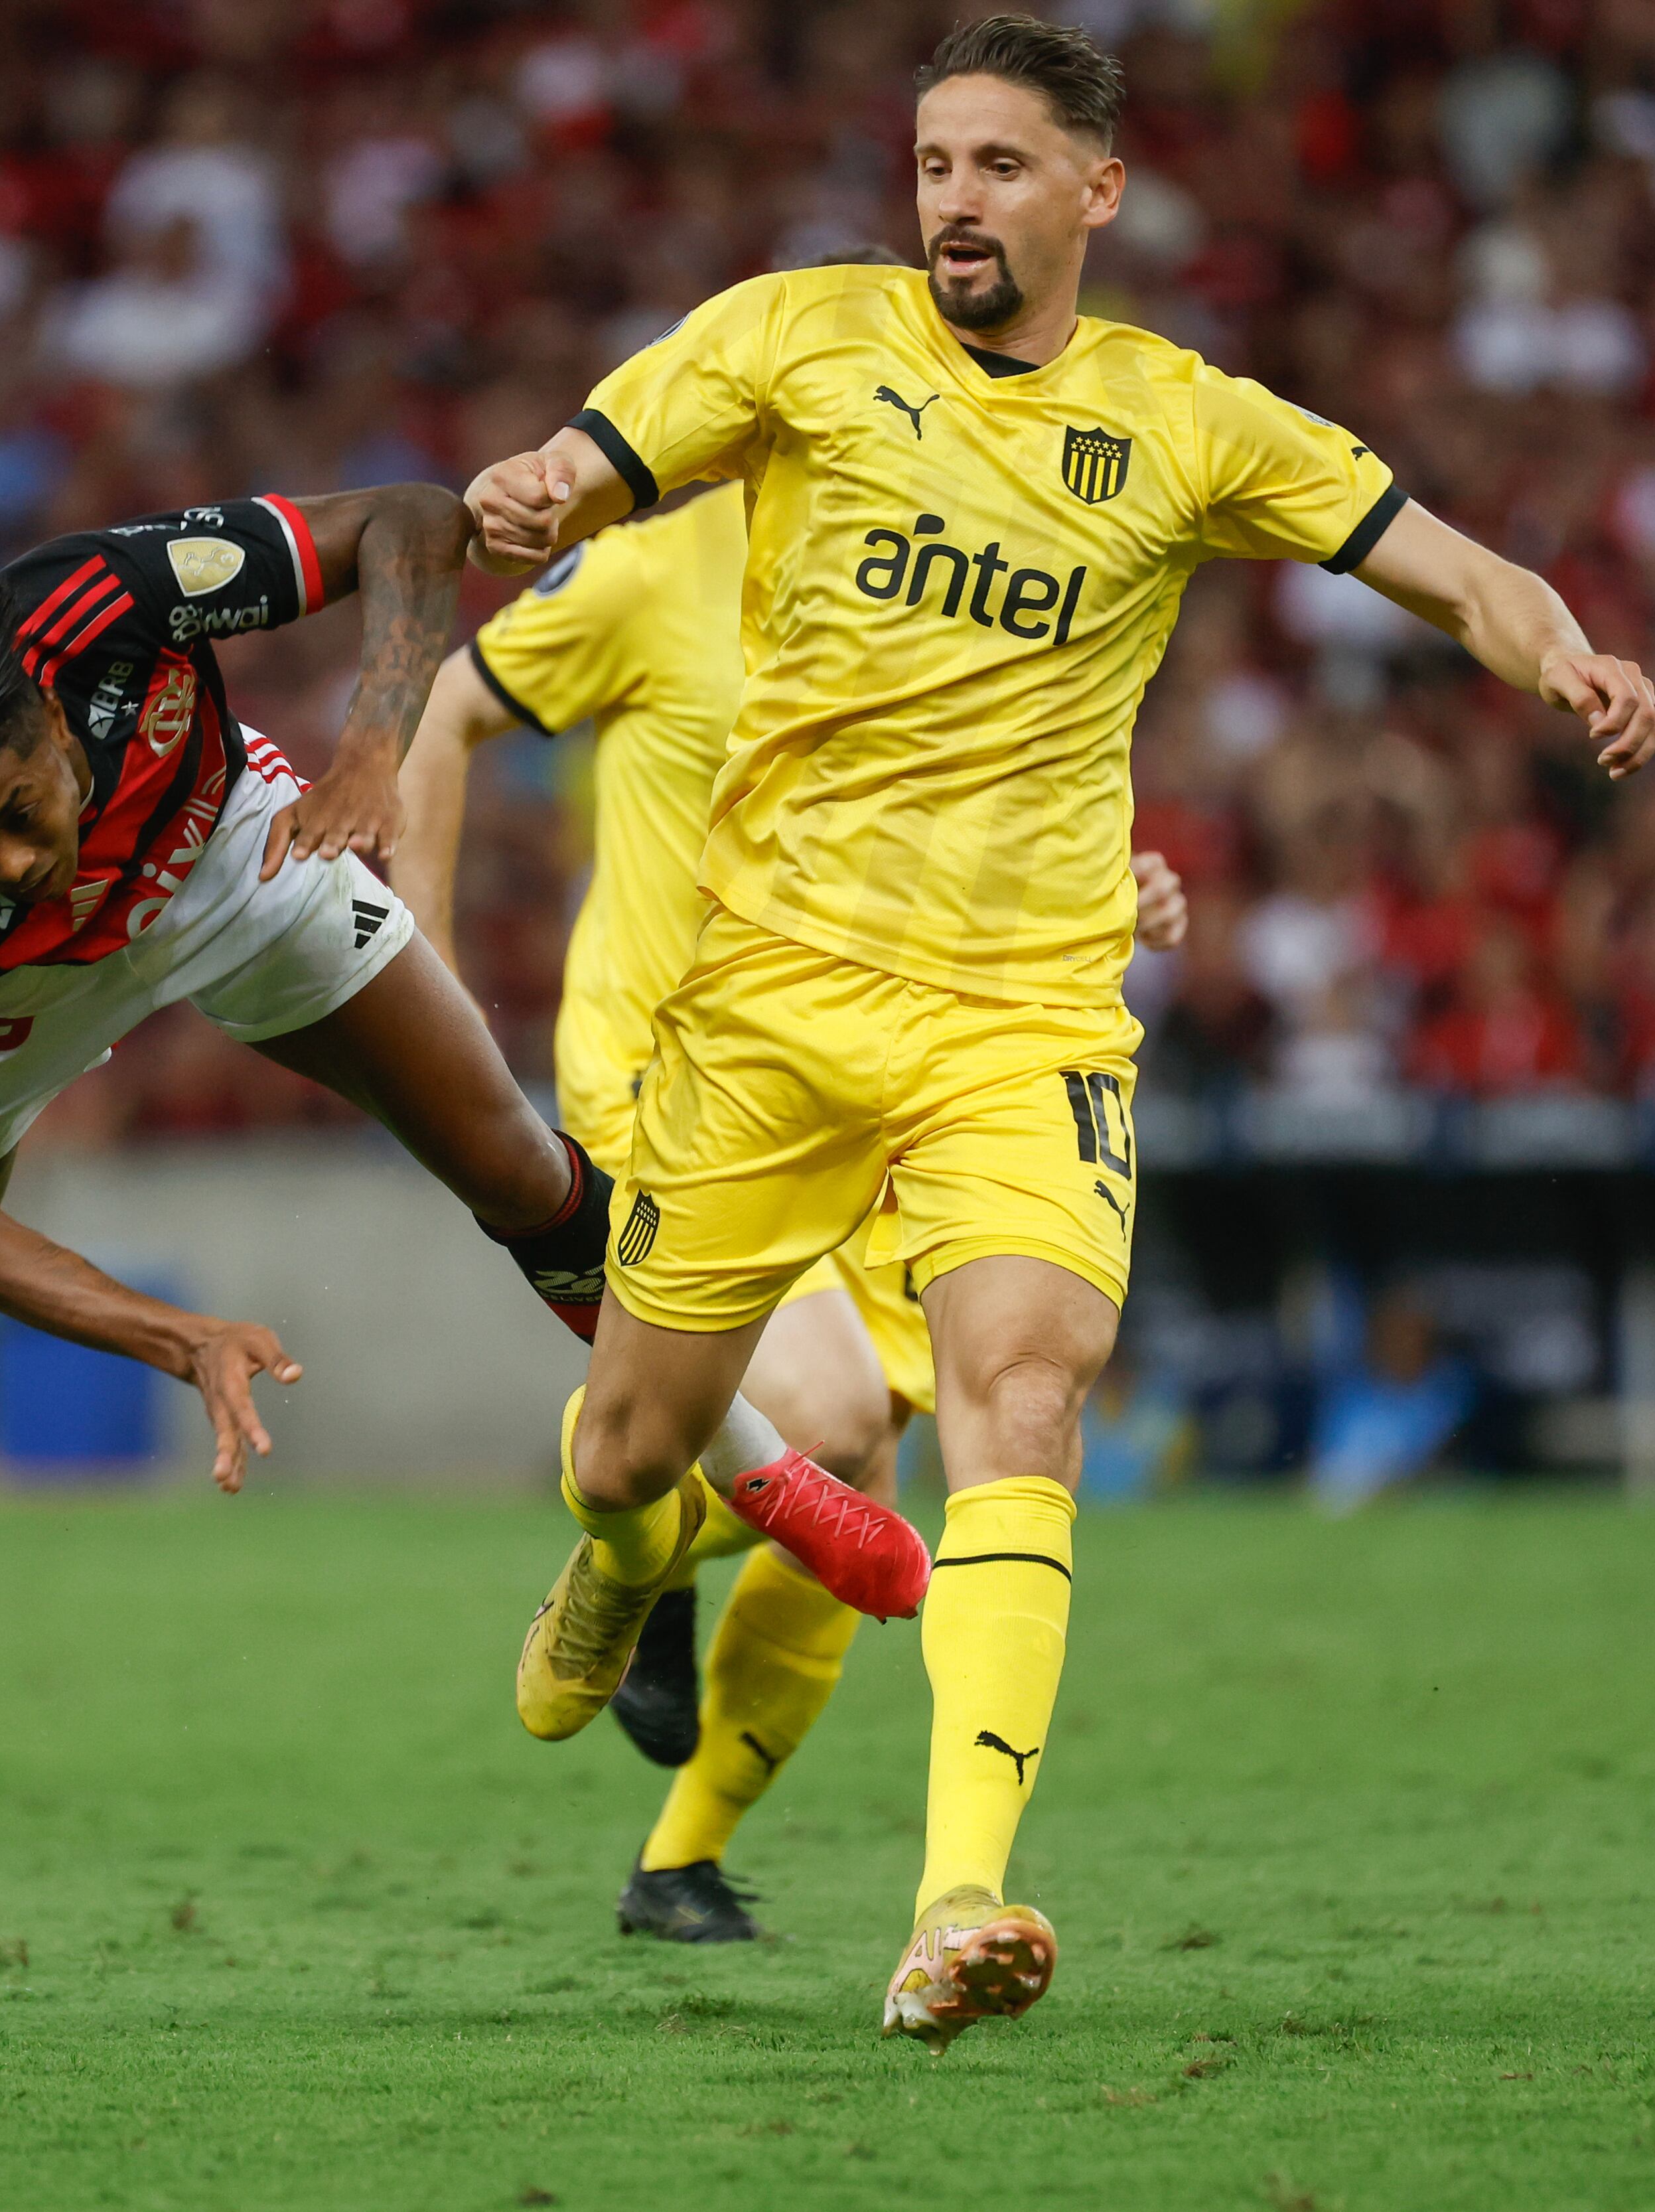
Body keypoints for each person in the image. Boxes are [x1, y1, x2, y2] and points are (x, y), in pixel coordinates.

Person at [463, 14, 1655, 2049]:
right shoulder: (794, 334)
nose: (952, 200)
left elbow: (1450, 563)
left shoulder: (1187, 422)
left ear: (1097, 191)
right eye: (934, 162)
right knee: (631, 1442)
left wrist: (1565, 653)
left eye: (1000, 165)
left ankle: (957, 1903)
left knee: (1023, 1396)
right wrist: (541, 484)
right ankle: (612, 1550)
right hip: (767, 998)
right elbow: (598, 456)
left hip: (1025, 1013)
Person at [0, 480, 926, 1626]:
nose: (7, 857)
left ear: (57, 717)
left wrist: (373, 745)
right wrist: (176, 1337)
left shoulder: (106, 599)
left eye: (17, 809)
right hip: (34, 982)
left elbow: (410, 521)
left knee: (516, 1164)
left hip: (235, 860)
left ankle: (766, 1475)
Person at [392, 477, 1188, 1945]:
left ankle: (677, 1859)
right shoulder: (645, 573)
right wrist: (422, 970)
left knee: (865, 1463)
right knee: (825, 1425)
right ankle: (621, 1549)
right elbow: (444, 707)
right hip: (679, 1073)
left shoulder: (950, 582)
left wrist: (1102, 886)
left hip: (883, 1086)